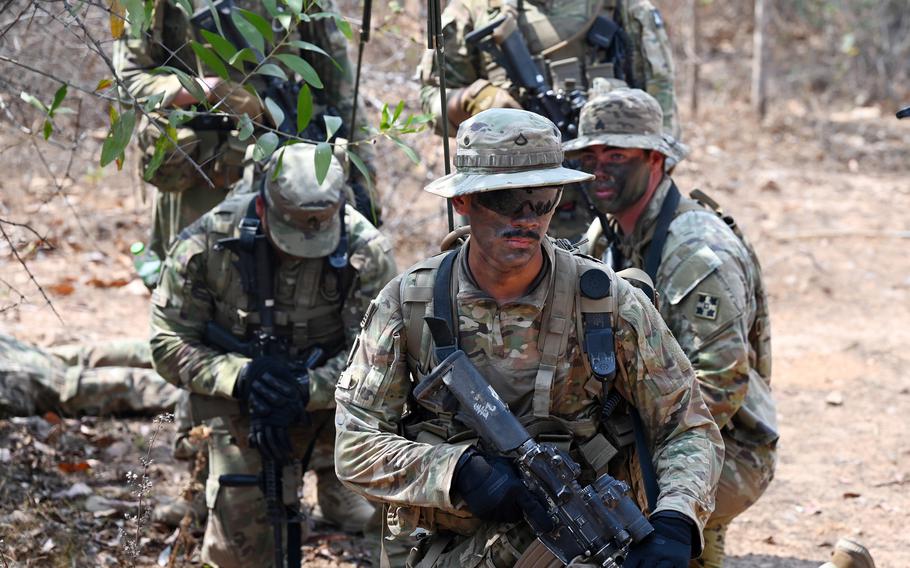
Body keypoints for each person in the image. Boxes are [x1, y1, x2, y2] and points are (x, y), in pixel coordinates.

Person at [334, 109, 722, 567]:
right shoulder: (411, 303)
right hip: (447, 543)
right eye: (507, 198)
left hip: (583, 545)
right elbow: (355, 443)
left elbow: (687, 427)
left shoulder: (604, 302)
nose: (527, 218)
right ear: (464, 201)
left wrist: (676, 519)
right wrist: (456, 473)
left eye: (542, 199)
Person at [149, 143, 397, 566]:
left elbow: (382, 361)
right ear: (262, 208)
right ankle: (214, 478)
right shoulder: (208, 242)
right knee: (239, 550)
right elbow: (167, 342)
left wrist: (307, 388)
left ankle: (332, 473)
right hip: (240, 402)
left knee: (396, 508)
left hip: (337, 402)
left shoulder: (367, 253)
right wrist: (241, 376)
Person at [564, 87, 778, 568]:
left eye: (616, 155)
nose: (599, 168)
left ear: (655, 159)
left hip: (730, 446)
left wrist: (610, 453)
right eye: (590, 155)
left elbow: (721, 384)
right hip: (649, 423)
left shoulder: (696, 251)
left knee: (602, 523)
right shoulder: (609, 234)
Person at [113, 0, 381, 268]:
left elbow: (338, 82)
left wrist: (364, 172)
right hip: (203, 177)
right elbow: (128, 82)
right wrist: (208, 90)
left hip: (286, 171)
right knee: (193, 286)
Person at [417, 0, 680, 240]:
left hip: (607, 204)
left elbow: (661, 124)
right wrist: (474, 99)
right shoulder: (475, 10)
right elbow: (432, 99)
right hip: (503, 206)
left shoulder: (625, 9)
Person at [0, 333, 179, 418]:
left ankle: (197, 368)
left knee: (133, 371)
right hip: (29, 365)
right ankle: (200, 380)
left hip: (28, 365)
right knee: (132, 380)